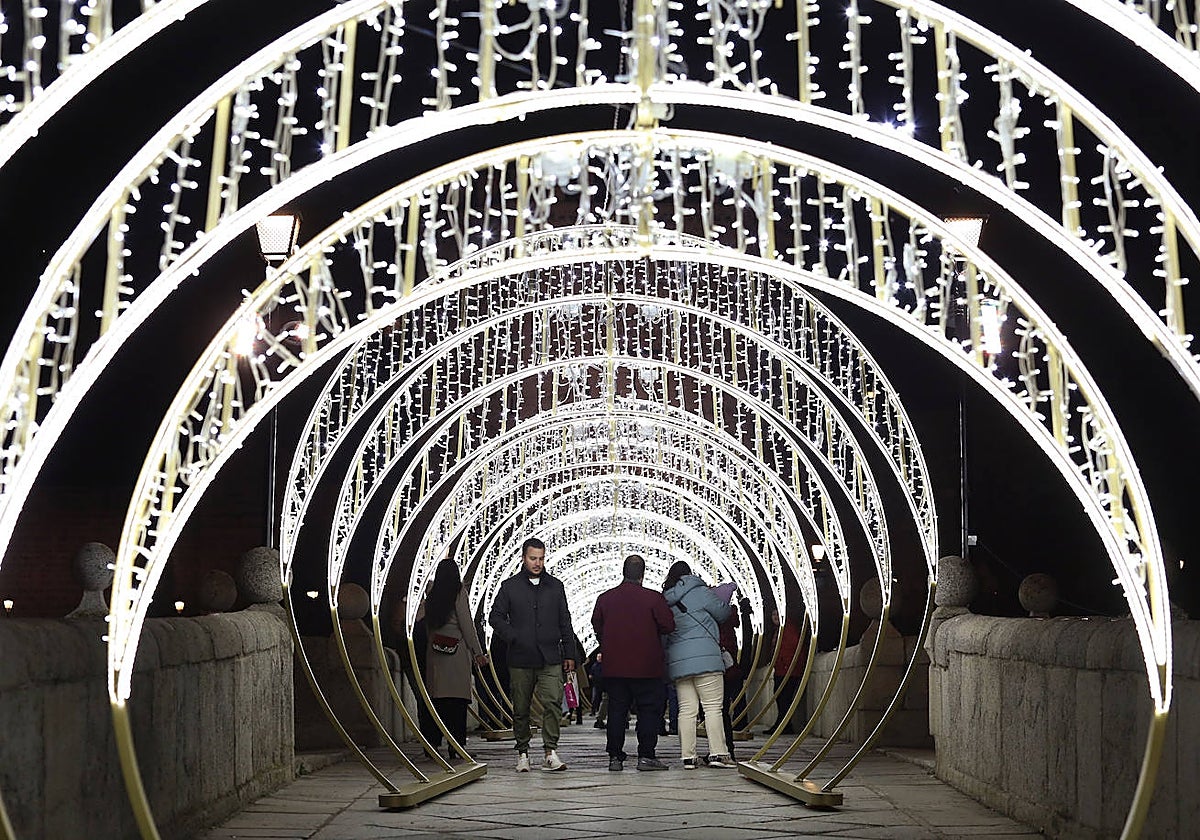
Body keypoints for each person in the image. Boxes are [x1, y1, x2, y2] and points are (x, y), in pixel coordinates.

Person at [488, 537, 575, 772]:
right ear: (524, 558)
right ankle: (523, 753)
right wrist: (513, 636)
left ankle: (550, 751)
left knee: (553, 702)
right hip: (521, 656)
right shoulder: (510, 587)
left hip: (550, 655)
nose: (537, 563)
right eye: (533, 558)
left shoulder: (555, 587)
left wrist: (570, 653)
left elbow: (565, 621)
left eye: (541, 558)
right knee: (521, 707)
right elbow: (495, 617)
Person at [591, 554, 676, 771]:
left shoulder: (605, 598)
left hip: (615, 667)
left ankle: (615, 757)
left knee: (617, 711)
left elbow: (597, 624)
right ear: (642, 575)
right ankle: (646, 756)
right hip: (647, 667)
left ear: (623, 572)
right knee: (648, 711)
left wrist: (608, 642)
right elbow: (668, 625)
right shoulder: (653, 598)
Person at [662, 561, 735, 769]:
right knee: (712, 708)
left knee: (686, 710)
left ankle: (688, 757)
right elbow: (723, 613)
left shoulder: (666, 599)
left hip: (679, 663)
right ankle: (718, 753)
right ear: (689, 575)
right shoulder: (701, 592)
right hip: (707, 658)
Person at [416, 558, 487, 760]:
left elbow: (419, 619)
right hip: (456, 652)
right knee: (457, 702)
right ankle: (456, 745)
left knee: (437, 701)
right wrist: (477, 652)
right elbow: (466, 624)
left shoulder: (432, 594)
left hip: (435, 653)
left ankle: (433, 743)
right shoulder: (458, 592)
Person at [769, 608, 805, 736]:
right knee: (780, 697)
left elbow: (792, 648)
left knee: (784, 698)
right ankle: (784, 725)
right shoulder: (780, 629)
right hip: (782, 669)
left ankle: (783, 725)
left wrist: (785, 664)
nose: (775, 617)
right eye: (773, 614)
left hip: (788, 670)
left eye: (777, 614)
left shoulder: (788, 629)